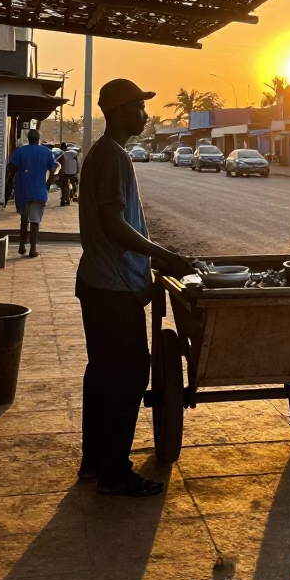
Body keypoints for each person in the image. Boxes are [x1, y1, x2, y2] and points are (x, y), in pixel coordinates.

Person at [76, 78, 195, 497]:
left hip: (100, 283)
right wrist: (163, 255)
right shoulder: (112, 157)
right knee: (126, 378)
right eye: (140, 109)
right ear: (121, 111)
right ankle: (113, 472)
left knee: (103, 375)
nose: (146, 117)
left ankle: (94, 462)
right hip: (112, 287)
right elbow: (113, 224)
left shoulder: (107, 154)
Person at [5, 128, 60, 257]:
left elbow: (11, 168)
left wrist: (9, 183)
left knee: (24, 218)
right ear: (38, 139)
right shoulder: (46, 152)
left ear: (28, 138)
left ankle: (22, 245)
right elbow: (53, 170)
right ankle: (33, 249)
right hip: (39, 190)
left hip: (23, 188)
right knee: (35, 220)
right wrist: (47, 184)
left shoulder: (20, 151)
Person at [55, 141, 80, 206]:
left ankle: (64, 200)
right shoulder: (74, 154)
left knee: (64, 187)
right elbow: (77, 163)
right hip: (72, 173)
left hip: (65, 174)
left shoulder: (63, 154)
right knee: (74, 184)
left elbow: (57, 162)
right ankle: (73, 195)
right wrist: (77, 171)